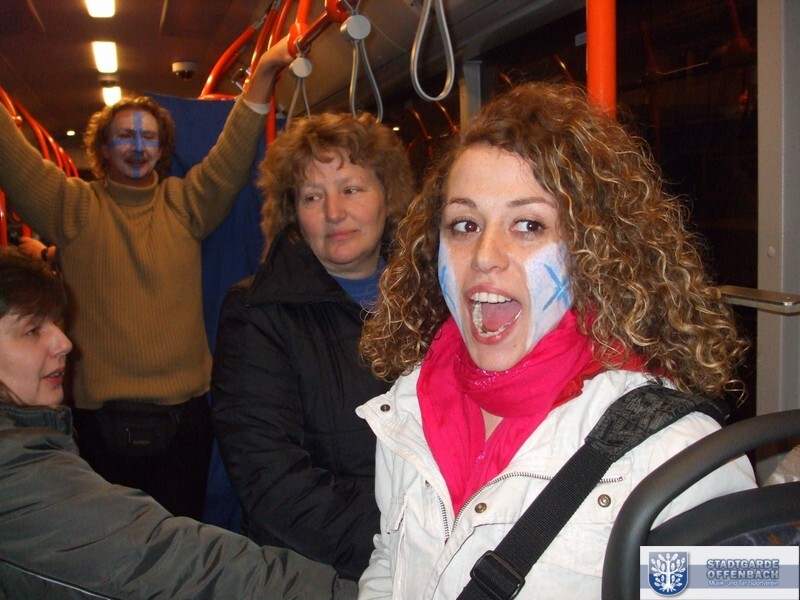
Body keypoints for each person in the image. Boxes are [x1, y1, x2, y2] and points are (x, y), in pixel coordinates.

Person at [355, 82, 757, 598]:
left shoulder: (674, 449)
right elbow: (389, 561)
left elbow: (752, 584)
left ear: (592, 249)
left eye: (528, 225)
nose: (484, 255)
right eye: (464, 224)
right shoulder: (408, 405)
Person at [0, 40, 293, 519]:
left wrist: (262, 74)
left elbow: (233, 152)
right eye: (124, 136)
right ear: (102, 149)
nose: (138, 147)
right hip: (99, 423)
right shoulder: (73, 207)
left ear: (162, 151)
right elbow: (14, 159)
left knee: (181, 536)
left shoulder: (186, 204)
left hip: (185, 420)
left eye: (149, 138)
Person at [0, 246, 357, 599]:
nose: (63, 342)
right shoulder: (14, 471)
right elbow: (169, 562)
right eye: (32, 331)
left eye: (54, 323)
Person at [211, 112, 414, 581]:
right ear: (293, 215)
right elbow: (271, 481)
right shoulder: (257, 313)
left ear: (388, 196)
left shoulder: (431, 297)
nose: (333, 212)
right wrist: (406, 544)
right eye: (312, 196)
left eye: (351, 189)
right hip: (320, 572)